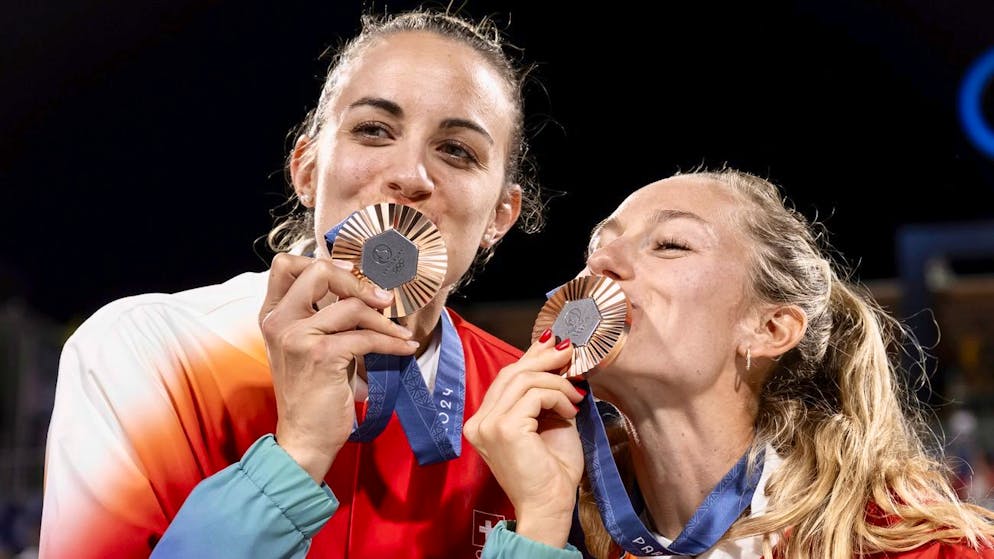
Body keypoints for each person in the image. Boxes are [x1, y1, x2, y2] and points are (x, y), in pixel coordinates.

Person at [40, 7, 548, 558]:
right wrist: (297, 453)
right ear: (306, 170)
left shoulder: (524, 408)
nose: (410, 175)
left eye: (456, 150)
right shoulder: (146, 354)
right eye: (373, 130)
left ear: (500, 214)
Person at [465, 168, 994, 559]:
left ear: (769, 329)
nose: (601, 265)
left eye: (670, 245)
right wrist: (541, 517)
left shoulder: (925, 547)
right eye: (597, 249)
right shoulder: (559, 538)